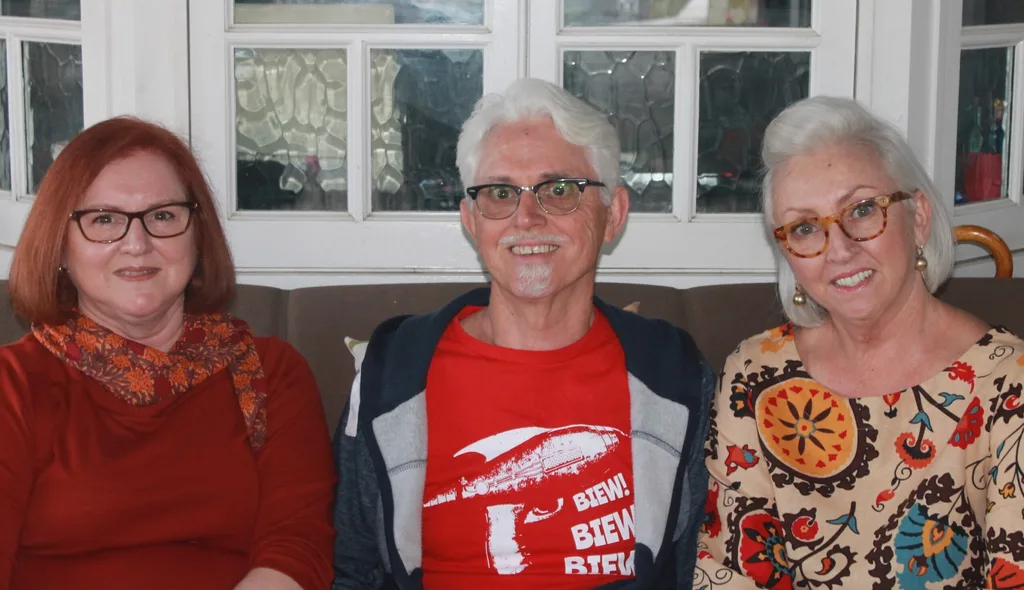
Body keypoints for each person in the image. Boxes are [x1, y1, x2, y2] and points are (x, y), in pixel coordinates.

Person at [332, 78, 714, 589]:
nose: (526, 217)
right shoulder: (392, 369)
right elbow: (351, 566)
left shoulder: (675, 372)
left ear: (613, 214)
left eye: (559, 190)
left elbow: (699, 567)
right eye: (499, 193)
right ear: (471, 219)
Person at [695, 96, 1024, 587]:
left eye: (863, 210)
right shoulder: (754, 376)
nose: (841, 249)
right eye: (806, 228)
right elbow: (725, 571)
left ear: (919, 218)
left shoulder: (1008, 383)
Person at [2, 116, 336, 589]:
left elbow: (298, 548)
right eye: (104, 219)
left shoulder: (270, 374)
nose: (136, 244)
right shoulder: (13, 386)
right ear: (60, 245)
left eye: (162, 216)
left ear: (197, 235)